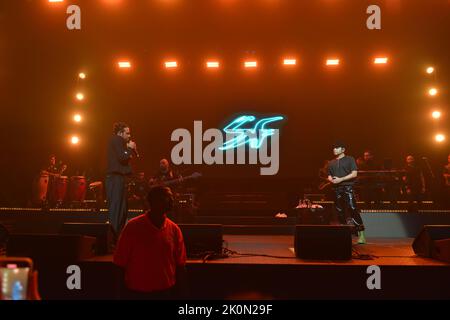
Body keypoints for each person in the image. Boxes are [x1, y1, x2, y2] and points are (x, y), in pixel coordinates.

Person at [113, 186, 187, 300]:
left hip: (165, 293)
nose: (172, 200)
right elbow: (120, 264)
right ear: (154, 201)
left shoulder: (174, 229)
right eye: (168, 197)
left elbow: (180, 265)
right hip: (136, 294)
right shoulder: (133, 227)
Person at [327, 141, 366, 244]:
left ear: (343, 149)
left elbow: (354, 174)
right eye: (333, 148)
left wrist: (341, 179)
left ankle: (361, 234)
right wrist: (331, 180)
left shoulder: (350, 159)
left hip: (348, 187)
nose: (334, 149)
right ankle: (344, 234)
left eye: (337, 147)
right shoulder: (331, 162)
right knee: (339, 211)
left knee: (353, 209)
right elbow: (329, 175)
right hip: (336, 189)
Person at [106, 122, 138, 236]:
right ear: (120, 133)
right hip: (115, 179)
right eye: (127, 133)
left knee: (122, 210)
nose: (129, 136)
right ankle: (114, 238)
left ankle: (118, 237)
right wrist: (129, 149)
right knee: (117, 209)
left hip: (119, 179)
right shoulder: (116, 139)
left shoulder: (119, 142)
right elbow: (122, 157)